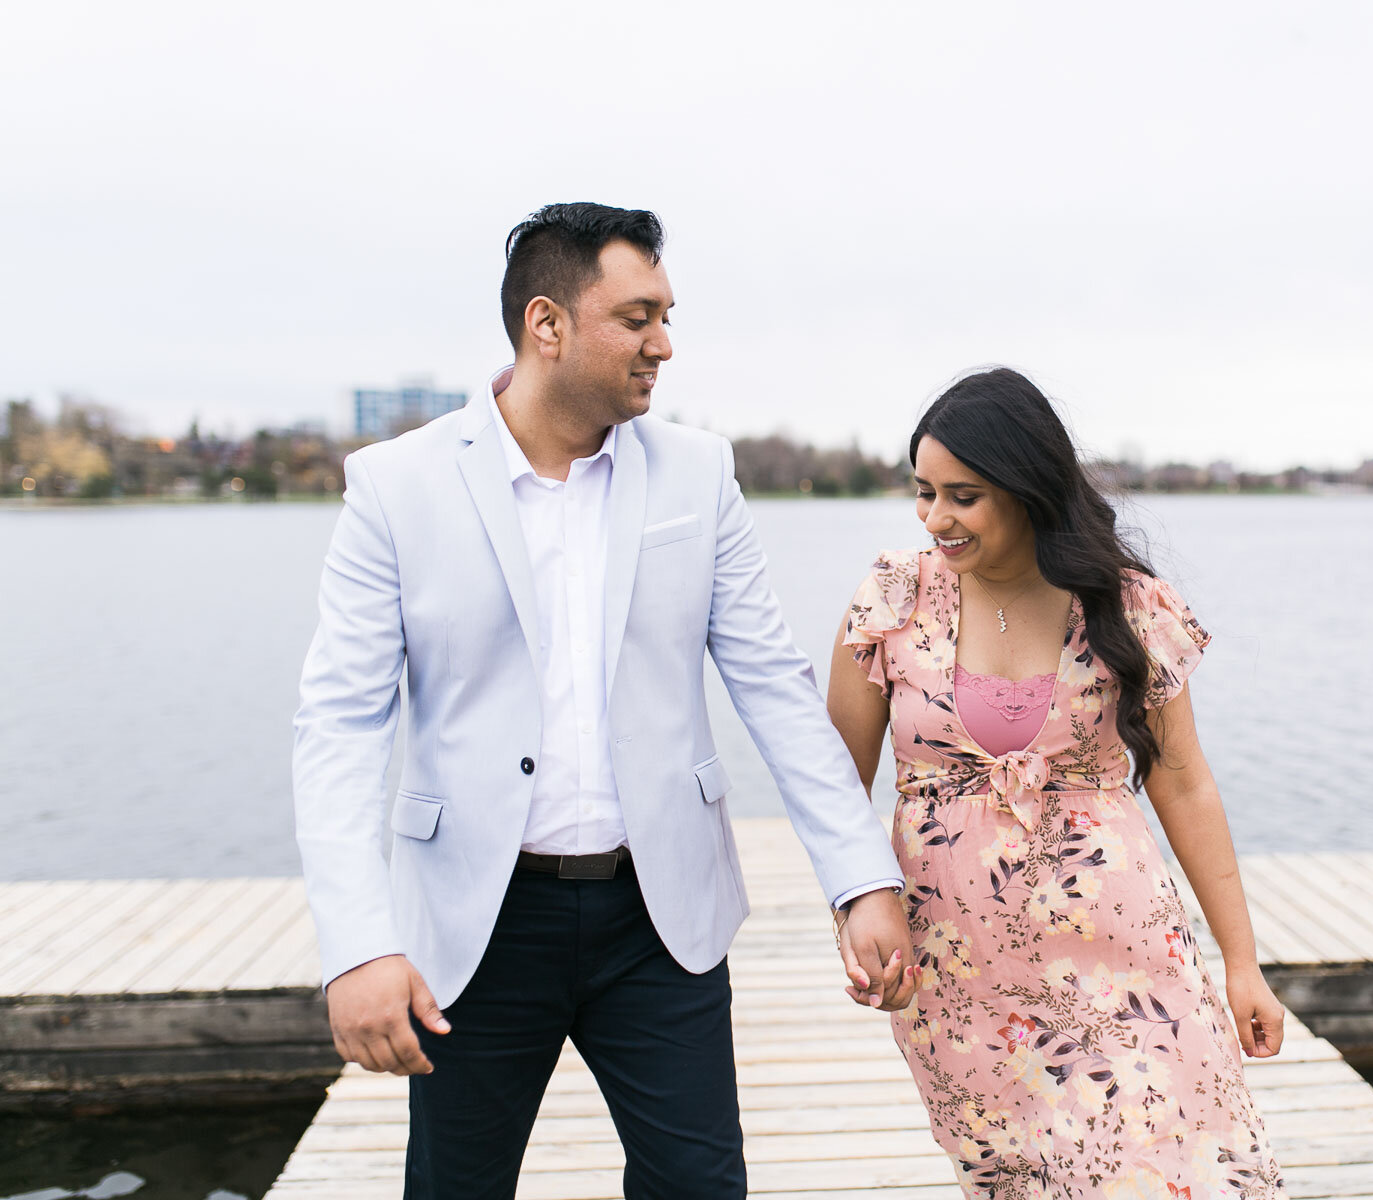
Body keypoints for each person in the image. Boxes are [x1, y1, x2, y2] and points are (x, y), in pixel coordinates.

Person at [293, 202, 918, 1199]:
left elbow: (774, 685)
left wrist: (859, 876)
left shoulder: (698, 472)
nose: (663, 344)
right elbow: (337, 729)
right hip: (474, 926)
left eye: (666, 315)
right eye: (637, 317)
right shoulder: (396, 487)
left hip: (657, 917)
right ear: (547, 324)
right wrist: (360, 945)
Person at [824, 368, 1289, 1198]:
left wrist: (1243, 963)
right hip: (962, 976)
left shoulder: (1130, 606)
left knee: (1182, 1171)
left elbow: (1185, 787)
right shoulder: (895, 594)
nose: (936, 519)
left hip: (1126, 960)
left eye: (962, 496)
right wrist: (855, 906)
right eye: (924, 493)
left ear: (1028, 488)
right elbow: (834, 787)